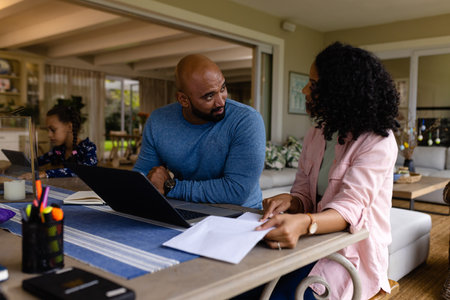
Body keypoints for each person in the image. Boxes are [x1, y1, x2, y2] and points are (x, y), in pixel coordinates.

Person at [249, 42, 399, 300]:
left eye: (314, 85)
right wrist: (292, 201)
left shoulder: (377, 142)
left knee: (281, 296)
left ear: (341, 93)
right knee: (247, 287)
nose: (305, 89)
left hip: (350, 252)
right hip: (312, 242)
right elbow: (305, 195)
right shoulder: (316, 134)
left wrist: (303, 223)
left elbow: (349, 209)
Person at [133, 54, 266, 208]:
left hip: (239, 215)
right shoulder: (158, 121)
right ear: (183, 99)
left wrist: (171, 186)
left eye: (222, 88)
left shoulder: (246, 120)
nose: (221, 101)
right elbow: (141, 177)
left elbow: (236, 191)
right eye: (209, 96)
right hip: (184, 208)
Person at [20, 104, 97, 179]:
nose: (49, 135)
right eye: (48, 130)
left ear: (70, 127)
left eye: (53, 130)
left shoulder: (88, 148)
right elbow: (36, 162)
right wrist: (17, 163)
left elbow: (84, 171)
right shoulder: (59, 151)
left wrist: (45, 173)